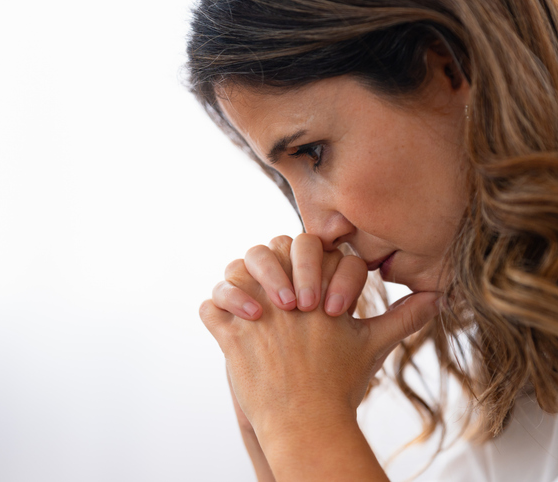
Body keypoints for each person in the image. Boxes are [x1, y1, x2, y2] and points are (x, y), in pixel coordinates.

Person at [187, 1, 558, 481]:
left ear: (449, 64)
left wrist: (303, 418)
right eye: (288, 182)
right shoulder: (528, 403)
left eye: (313, 153)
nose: (316, 230)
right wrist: (272, 424)